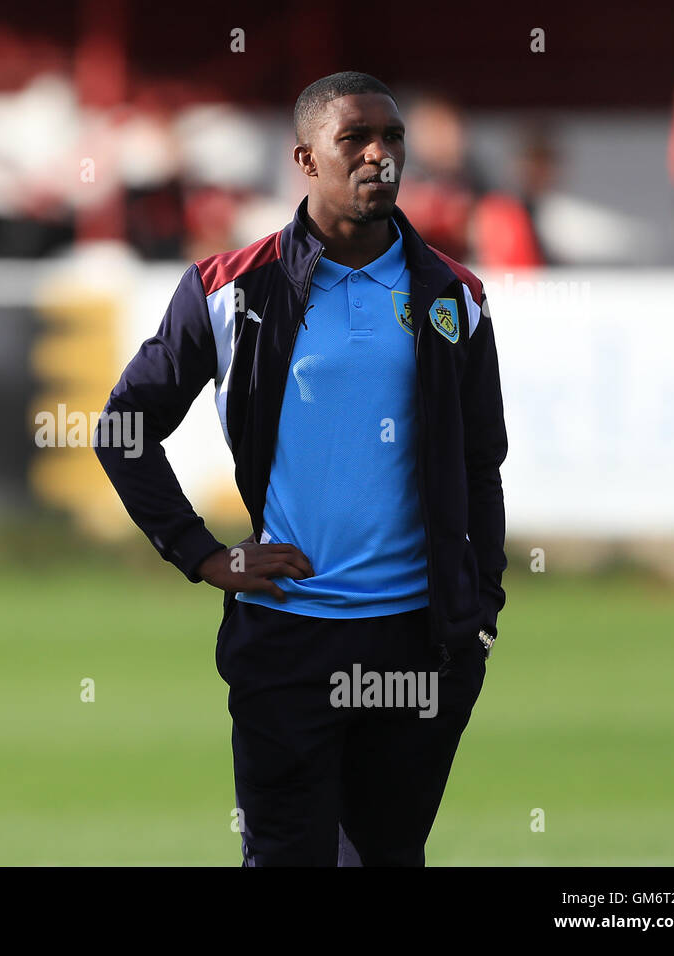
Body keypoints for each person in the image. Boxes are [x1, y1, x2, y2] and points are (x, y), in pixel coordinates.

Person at [94, 71, 507, 866]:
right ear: (305, 159)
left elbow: (481, 461)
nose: (379, 156)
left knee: (386, 857)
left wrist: (479, 607)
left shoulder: (456, 294)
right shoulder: (226, 289)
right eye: (355, 139)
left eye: (393, 139)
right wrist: (201, 553)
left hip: (417, 643)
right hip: (289, 638)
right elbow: (123, 428)